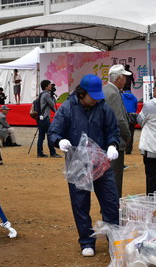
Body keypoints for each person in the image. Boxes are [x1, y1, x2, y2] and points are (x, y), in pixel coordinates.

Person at [48, 74, 120, 258]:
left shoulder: (103, 107)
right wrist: (59, 141)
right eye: (92, 96)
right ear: (82, 94)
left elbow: (113, 130)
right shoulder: (67, 108)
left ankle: (115, 239)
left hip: (101, 163)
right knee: (80, 204)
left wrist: (113, 144)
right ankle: (87, 242)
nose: (96, 100)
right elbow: (54, 131)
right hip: (78, 164)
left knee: (111, 201)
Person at [102, 64, 131, 198]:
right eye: (125, 77)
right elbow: (119, 119)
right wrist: (127, 135)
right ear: (119, 78)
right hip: (115, 140)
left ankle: (108, 204)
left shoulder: (105, 90)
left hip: (104, 139)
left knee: (107, 175)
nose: (126, 80)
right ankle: (113, 205)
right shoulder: (113, 93)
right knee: (115, 176)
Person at [37, 80, 61, 158]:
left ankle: (39, 153)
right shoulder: (46, 95)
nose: (51, 86)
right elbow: (52, 104)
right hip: (45, 118)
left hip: (40, 118)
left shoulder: (41, 94)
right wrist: (52, 96)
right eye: (50, 85)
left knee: (41, 136)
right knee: (50, 135)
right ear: (46, 86)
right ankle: (52, 152)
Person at [121, 87, 138, 155]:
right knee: (131, 133)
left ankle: (123, 147)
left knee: (123, 131)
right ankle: (129, 149)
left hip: (124, 116)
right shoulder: (134, 97)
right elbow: (136, 107)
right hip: (132, 116)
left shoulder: (121, 97)